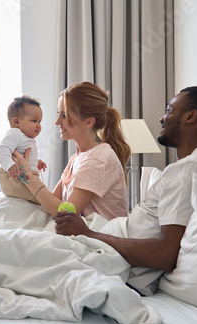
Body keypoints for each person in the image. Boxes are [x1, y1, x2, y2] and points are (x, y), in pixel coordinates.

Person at [54, 86, 197, 274]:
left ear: (190, 117)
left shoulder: (186, 170)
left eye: (169, 111)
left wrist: (87, 233)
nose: (162, 118)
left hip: (109, 249)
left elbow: (165, 255)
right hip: (110, 235)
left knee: (23, 245)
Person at [12, 81, 131, 220]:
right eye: (58, 113)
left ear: (88, 122)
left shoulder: (99, 158)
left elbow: (65, 214)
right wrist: (27, 171)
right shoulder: (76, 158)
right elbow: (51, 201)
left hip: (101, 235)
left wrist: (28, 177)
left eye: (64, 115)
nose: (57, 122)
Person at [0, 96, 47, 204]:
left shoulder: (25, 138)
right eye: (34, 121)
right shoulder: (15, 133)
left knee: (43, 196)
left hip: (26, 175)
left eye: (40, 122)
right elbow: (2, 149)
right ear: (16, 122)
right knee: (41, 198)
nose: (38, 126)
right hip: (15, 177)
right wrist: (10, 165)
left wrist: (36, 161)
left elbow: (24, 154)